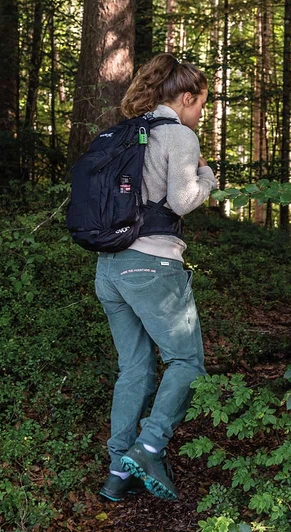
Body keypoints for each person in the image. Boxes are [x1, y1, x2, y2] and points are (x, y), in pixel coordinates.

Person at [95, 53, 215, 502]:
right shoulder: (178, 135)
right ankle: (148, 448)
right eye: (200, 104)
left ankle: (116, 471)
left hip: (109, 269)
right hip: (152, 265)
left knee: (135, 368)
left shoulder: (125, 133)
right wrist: (206, 174)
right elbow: (183, 201)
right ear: (185, 97)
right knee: (186, 363)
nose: (200, 113)